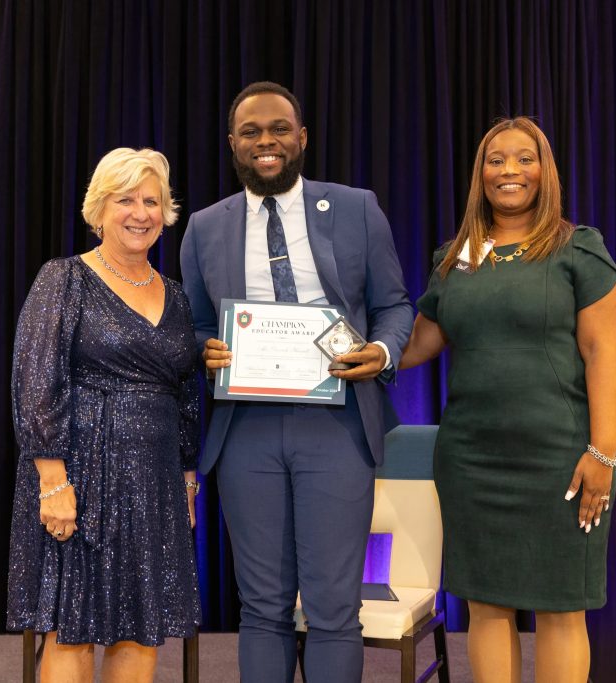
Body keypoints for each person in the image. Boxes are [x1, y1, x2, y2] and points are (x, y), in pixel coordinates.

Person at [180, 81, 413, 682]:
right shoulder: (205, 227)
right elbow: (200, 321)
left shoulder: (357, 206)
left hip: (337, 425)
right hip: (247, 429)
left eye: (280, 129)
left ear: (302, 137)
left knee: (334, 608)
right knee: (261, 607)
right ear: (232, 144)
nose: (267, 142)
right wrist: (205, 350)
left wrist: (382, 350)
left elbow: (394, 305)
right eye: (252, 132)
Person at [400, 117, 616, 683]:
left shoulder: (579, 248)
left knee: (560, 606)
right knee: (486, 603)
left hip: (559, 458)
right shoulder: (458, 256)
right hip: (471, 459)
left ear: (545, 170)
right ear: (480, 174)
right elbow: (415, 345)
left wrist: (603, 453)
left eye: (524, 159)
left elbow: (603, 354)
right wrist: (341, 344)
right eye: (496, 160)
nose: (509, 171)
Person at [6, 147, 201, 683]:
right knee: (73, 631)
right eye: (125, 200)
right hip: (81, 474)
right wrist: (52, 480)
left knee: (141, 631)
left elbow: (186, 393)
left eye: (151, 201)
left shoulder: (179, 299)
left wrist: (187, 480)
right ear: (99, 209)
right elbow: (37, 380)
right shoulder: (64, 279)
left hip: (155, 479)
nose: (140, 213)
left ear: (166, 212)